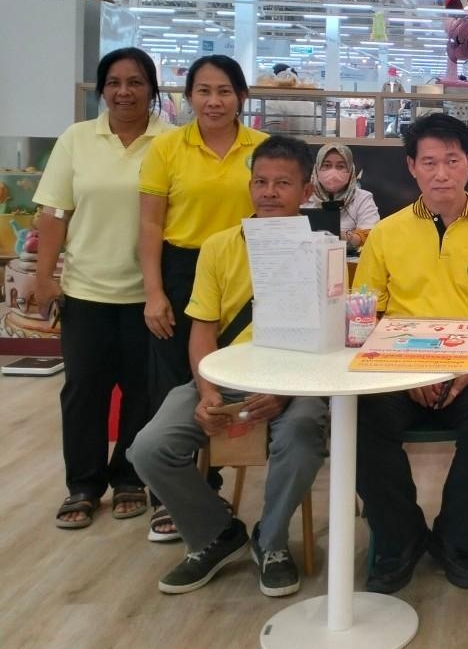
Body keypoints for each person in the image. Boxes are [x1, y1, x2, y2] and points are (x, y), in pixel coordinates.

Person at [128, 136, 328, 597]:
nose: (269, 193)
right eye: (260, 182)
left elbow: (329, 342)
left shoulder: (324, 251)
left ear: (306, 191)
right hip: (224, 379)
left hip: (295, 385)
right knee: (149, 448)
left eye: (283, 183)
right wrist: (208, 391)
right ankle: (217, 533)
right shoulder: (218, 247)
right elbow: (202, 329)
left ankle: (271, 541)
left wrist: (285, 392)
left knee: (303, 432)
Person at [353, 113, 468, 595]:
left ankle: (458, 538)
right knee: (355, 417)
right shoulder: (385, 233)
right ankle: (399, 537)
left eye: (452, 160)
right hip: (397, 366)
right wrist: (409, 372)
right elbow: (366, 314)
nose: (441, 173)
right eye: (429, 162)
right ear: (412, 167)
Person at [35, 48, 172, 529]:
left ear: (151, 89)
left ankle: (130, 478)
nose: (124, 92)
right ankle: (83, 485)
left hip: (149, 294)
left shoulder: (171, 142)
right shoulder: (77, 139)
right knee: (83, 391)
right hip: (86, 291)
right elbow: (55, 212)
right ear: (101, 89)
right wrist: (44, 277)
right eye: (113, 82)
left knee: (142, 392)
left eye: (135, 82)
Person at [137, 54, 267, 542]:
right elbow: (150, 223)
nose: (214, 101)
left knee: (232, 376)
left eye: (225, 91)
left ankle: (209, 487)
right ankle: (176, 497)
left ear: (241, 97)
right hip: (181, 269)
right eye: (204, 91)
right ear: (188, 96)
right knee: (177, 382)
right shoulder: (167, 148)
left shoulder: (261, 147)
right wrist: (154, 292)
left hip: (248, 267)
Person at [303, 143, 381, 251]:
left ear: (351, 170)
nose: (333, 172)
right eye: (327, 165)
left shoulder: (362, 198)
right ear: (317, 169)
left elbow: (371, 235)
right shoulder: (304, 196)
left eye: (340, 166)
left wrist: (344, 237)